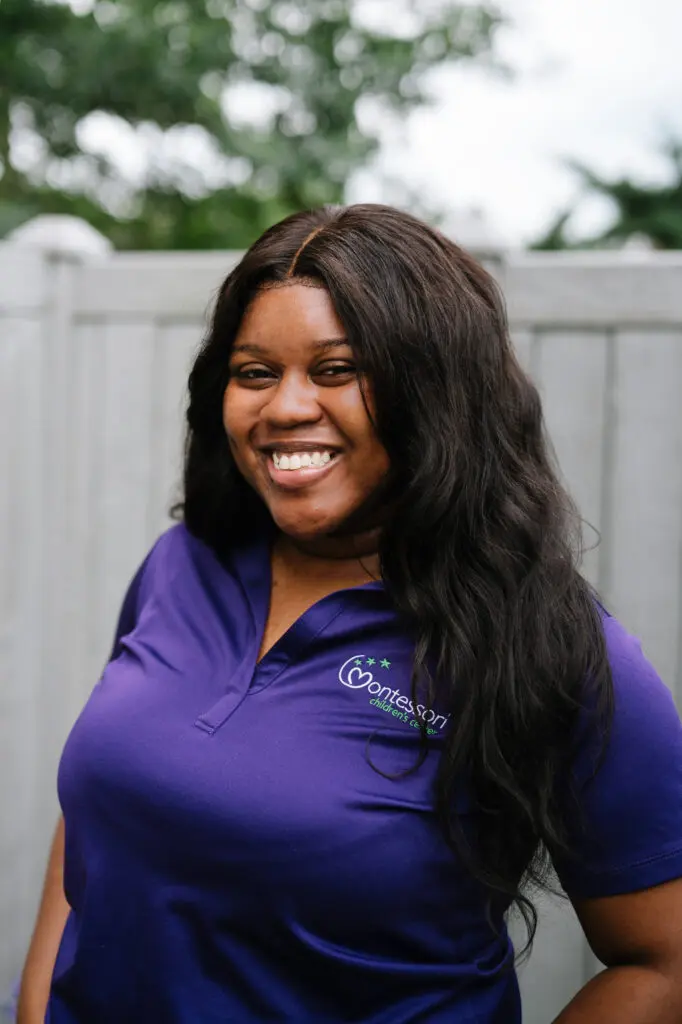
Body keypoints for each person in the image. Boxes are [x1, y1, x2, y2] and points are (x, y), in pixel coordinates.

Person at [17, 204, 682, 1024]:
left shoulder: (552, 644)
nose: (286, 407)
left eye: (337, 370)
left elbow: (664, 961)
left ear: (437, 391)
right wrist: (37, 1006)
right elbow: (101, 811)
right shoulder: (181, 564)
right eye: (255, 372)